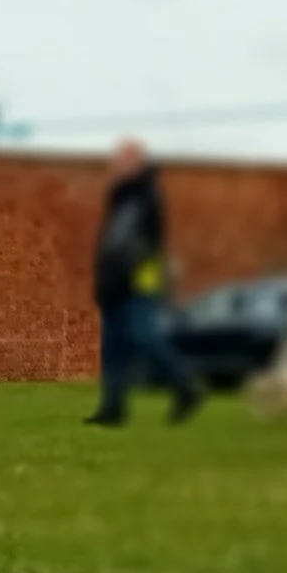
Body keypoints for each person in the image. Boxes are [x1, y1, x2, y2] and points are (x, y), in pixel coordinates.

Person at [85, 140, 201, 427]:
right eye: (116, 159)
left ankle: (185, 386)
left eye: (122, 159)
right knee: (113, 345)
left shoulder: (143, 195)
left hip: (138, 279)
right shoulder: (122, 195)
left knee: (144, 336)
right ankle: (113, 407)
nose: (116, 164)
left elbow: (128, 241)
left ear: (137, 161)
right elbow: (111, 240)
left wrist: (119, 270)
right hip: (115, 278)